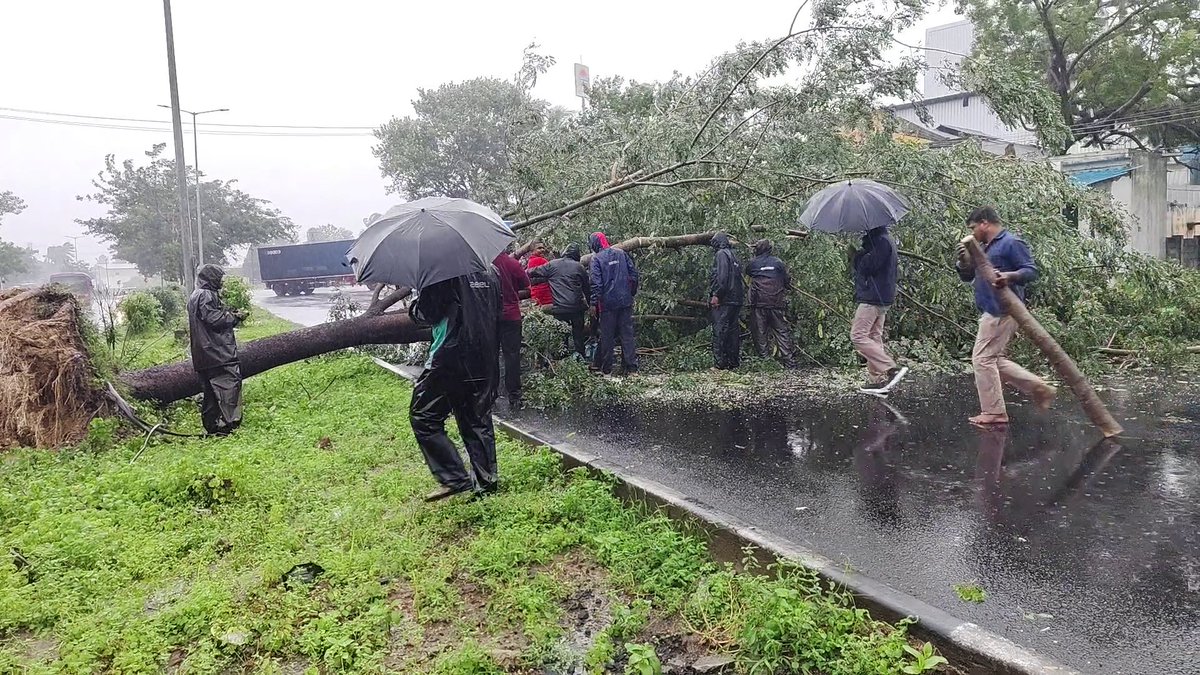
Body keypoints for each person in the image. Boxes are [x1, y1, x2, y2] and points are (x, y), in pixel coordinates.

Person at [408, 267, 502, 501]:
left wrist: (414, 303)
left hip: (450, 356)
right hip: (485, 353)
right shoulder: (492, 272)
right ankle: (486, 483)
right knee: (476, 417)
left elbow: (427, 313)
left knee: (423, 416)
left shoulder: (439, 271)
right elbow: (495, 309)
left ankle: (454, 477)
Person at [957, 206, 1056, 426]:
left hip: (1002, 310)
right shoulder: (983, 247)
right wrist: (964, 263)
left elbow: (1031, 271)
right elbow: (967, 276)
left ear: (985, 223)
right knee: (992, 359)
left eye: (973, 228)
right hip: (990, 309)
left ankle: (994, 412)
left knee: (982, 359)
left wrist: (1009, 276)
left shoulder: (1011, 242)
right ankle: (1039, 388)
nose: (972, 233)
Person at [186, 264, 249, 436]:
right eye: (219, 278)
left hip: (203, 354)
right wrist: (234, 317)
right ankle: (227, 426)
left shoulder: (196, 295)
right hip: (218, 352)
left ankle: (213, 426)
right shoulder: (207, 295)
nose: (221, 281)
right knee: (228, 386)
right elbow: (214, 319)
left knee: (210, 392)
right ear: (212, 278)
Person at [851, 225, 907, 394]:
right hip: (883, 295)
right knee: (874, 337)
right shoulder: (884, 240)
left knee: (858, 335)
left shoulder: (881, 243)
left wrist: (857, 256)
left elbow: (868, 267)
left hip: (873, 297)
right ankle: (879, 380)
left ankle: (890, 368)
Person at [588, 231, 639, 375]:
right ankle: (632, 369)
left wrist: (593, 303)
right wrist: (631, 293)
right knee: (627, 334)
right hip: (625, 301)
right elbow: (634, 275)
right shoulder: (621, 254)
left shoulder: (596, 259)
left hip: (607, 304)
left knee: (607, 337)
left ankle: (607, 370)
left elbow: (596, 283)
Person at [528, 242, 591, 358]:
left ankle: (562, 359)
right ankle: (581, 358)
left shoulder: (552, 265)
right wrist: (590, 304)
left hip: (559, 308)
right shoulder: (579, 267)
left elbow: (531, 272)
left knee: (562, 337)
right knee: (578, 335)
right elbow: (587, 288)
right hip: (577, 308)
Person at [744, 239, 796, 368]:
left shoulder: (753, 263)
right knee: (781, 332)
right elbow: (786, 280)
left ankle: (765, 361)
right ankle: (789, 363)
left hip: (759, 304)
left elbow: (748, 272)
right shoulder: (778, 263)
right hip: (776, 303)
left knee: (760, 333)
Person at [492, 246, 530, 405]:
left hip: (489, 317)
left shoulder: (484, 263)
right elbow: (525, 285)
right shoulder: (512, 263)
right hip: (511, 315)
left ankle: (490, 393)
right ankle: (514, 394)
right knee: (512, 355)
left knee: (490, 355)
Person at [708, 232, 744, 370]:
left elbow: (722, 277)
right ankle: (733, 362)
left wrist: (717, 295)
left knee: (720, 330)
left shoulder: (721, 254)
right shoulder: (733, 254)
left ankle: (720, 363)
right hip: (736, 298)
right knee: (733, 331)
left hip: (725, 299)